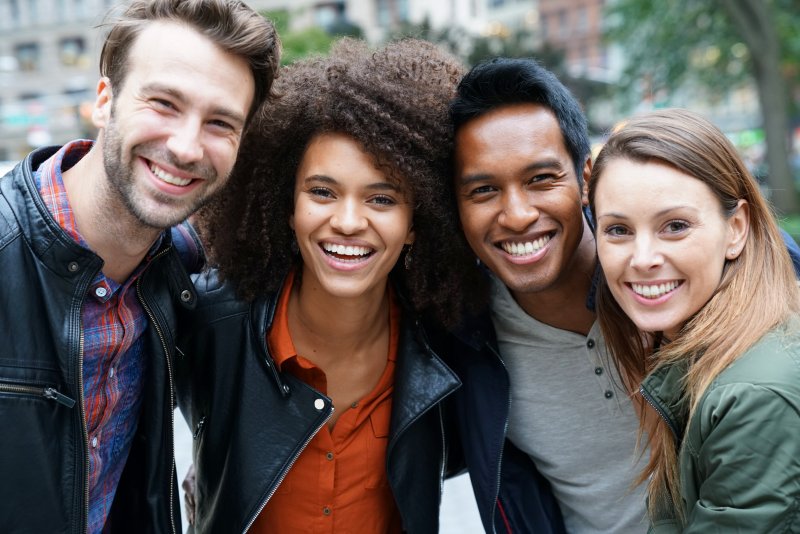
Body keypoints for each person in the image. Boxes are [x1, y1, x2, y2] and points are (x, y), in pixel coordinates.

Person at [441, 58, 800, 534]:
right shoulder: (462, 338)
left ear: (584, 179)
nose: (517, 214)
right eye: (483, 190)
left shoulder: (695, 279)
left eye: (541, 179)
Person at [174, 38, 480, 533]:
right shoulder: (211, 322)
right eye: (322, 192)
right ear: (287, 205)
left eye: (381, 199)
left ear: (417, 222)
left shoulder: (446, 344)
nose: (348, 221)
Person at [0, 1, 279, 531]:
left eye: (221, 122)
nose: (186, 145)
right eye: (164, 103)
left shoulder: (183, 271)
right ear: (105, 100)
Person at [588, 108, 800, 532]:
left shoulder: (752, 395)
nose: (643, 258)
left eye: (675, 226)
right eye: (618, 230)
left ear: (736, 228)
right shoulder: (697, 347)